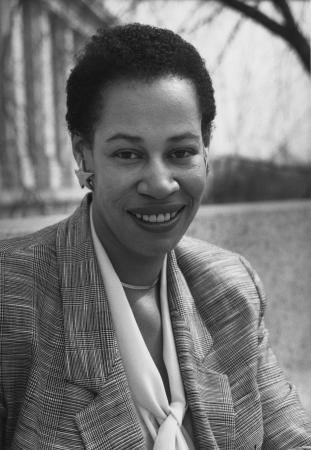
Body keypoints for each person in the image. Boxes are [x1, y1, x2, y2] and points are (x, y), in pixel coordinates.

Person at [0, 23, 310, 450]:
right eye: (128, 154)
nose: (161, 183)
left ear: (206, 149)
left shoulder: (230, 291)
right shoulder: (11, 300)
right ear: (82, 153)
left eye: (181, 152)